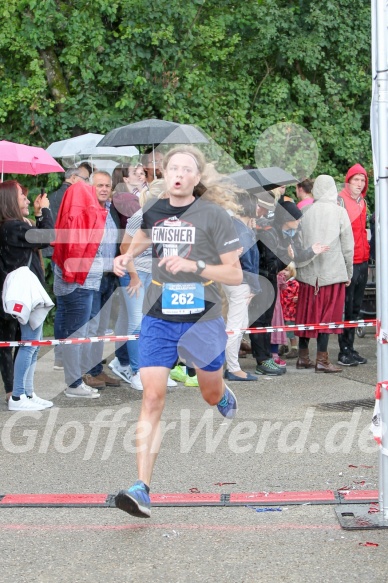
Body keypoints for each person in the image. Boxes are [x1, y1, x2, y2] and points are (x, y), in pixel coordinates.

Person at [113, 145, 242, 518]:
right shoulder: (153, 213)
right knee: (152, 397)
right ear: (164, 175)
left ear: (197, 178)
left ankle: (219, 393)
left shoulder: (214, 216)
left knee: (207, 391)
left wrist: (196, 264)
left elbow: (234, 273)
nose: (180, 174)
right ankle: (141, 488)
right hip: (159, 316)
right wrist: (124, 260)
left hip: (202, 318)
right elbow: (132, 248)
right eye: (173, 168)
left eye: (187, 169)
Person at [0, 181, 55, 411]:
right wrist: (44, 211)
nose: (26, 199)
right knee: (28, 343)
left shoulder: (14, 226)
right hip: (20, 295)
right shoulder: (12, 227)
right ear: (12, 201)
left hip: (21, 294)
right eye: (22, 196)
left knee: (32, 343)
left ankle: (27, 393)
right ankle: (18, 396)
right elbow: (48, 236)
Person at [52, 181, 107, 399]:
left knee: (69, 333)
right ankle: (74, 384)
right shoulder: (86, 218)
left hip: (71, 284)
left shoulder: (68, 219)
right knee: (77, 334)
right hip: (80, 285)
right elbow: (79, 250)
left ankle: (73, 380)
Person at [295, 175, 354, 373]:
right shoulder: (340, 212)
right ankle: (322, 359)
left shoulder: (304, 211)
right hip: (332, 272)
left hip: (307, 274)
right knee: (327, 317)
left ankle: (303, 357)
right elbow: (348, 246)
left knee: (306, 315)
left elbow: (298, 243)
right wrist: (349, 271)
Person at [81, 171, 122, 389]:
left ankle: (96, 369)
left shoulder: (112, 211)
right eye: (100, 186)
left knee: (102, 327)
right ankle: (85, 372)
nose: (105, 189)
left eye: (108, 186)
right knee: (91, 325)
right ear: (91, 187)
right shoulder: (86, 212)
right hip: (92, 277)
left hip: (109, 277)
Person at [223, 191, 260, 381]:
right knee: (236, 326)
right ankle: (233, 367)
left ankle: (231, 365)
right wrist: (255, 287)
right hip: (242, 281)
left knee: (239, 323)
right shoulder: (242, 230)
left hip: (232, 280)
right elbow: (248, 262)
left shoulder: (234, 225)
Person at [337, 164, 370, 366]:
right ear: (348, 181)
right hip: (348, 261)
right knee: (346, 308)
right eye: (356, 179)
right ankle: (343, 350)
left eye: (362, 180)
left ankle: (350, 347)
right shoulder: (340, 201)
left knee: (356, 307)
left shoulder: (362, 202)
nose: (359, 184)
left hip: (362, 259)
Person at [279, 263, 299, 359]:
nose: (284, 272)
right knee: (282, 330)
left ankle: (294, 348)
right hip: (282, 311)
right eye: (282, 269)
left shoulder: (294, 284)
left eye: (286, 270)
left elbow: (298, 296)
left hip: (291, 312)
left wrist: (297, 298)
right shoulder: (280, 283)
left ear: (292, 272)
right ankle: (284, 346)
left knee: (290, 331)